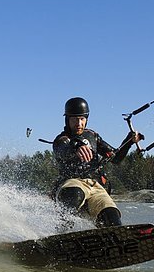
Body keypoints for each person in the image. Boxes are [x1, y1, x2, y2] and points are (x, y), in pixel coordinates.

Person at [53, 97, 143, 228]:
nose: (79, 123)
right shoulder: (62, 139)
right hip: (72, 182)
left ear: (86, 119)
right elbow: (62, 149)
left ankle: (113, 238)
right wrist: (76, 147)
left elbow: (115, 158)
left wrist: (128, 141)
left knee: (111, 215)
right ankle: (60, 233)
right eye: (74, 119)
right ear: (67, 119)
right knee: (75, 194)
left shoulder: (93, 136)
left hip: (95, 186)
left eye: (82, 119)